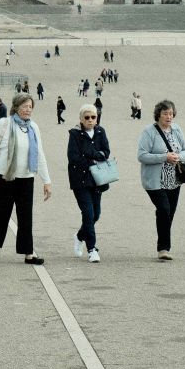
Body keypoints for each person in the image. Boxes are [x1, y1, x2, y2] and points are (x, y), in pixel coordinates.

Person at [0, 93, 52, 264]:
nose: (28, 109)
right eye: (25, 106)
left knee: (25, 216)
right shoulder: (5, 124)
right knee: (0, 214)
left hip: (26, 178)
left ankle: (28, 253)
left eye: (30, 106)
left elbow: (39, 154)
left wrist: (46, 181)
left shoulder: (33, 127)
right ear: (16, 107)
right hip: (4, 177)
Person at [137, 99, 185, 260]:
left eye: (171, 113)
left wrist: (178, 156)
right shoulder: (149, 132)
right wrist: (164, 157)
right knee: (164, 210)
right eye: (165, 113)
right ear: (158, 115)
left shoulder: (176, 129)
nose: (169, 116)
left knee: (168, 214)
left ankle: (163, 245)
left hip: (174, 180)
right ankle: (163, 249)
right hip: (155, 181)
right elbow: (141, 155)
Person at [67, 104, 111, 263]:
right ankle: (92, 249)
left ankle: (79, 236)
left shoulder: (100, 131)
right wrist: (94, 157)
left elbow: (106, 152)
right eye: (87, 117)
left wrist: (90, 155)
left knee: (96, 214)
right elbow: (74, 157)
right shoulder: (75, 134)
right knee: (88, 213)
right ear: (81, 119)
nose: (90, 120)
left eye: (93, 117)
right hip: (80, 180)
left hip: (97, 180)